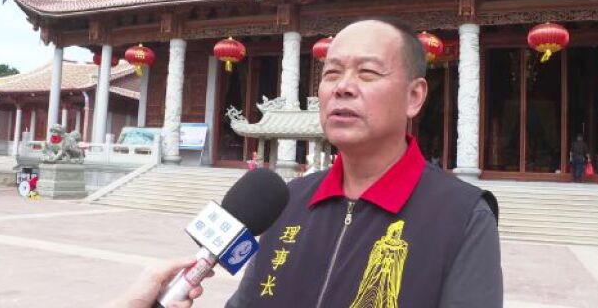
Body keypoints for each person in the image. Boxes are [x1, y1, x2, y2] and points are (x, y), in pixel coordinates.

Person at [115, 18, 503, 307]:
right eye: (331, 72)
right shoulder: (285, 202)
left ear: (414, 97)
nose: (342, 86)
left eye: (367, 73)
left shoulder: (462, 215)